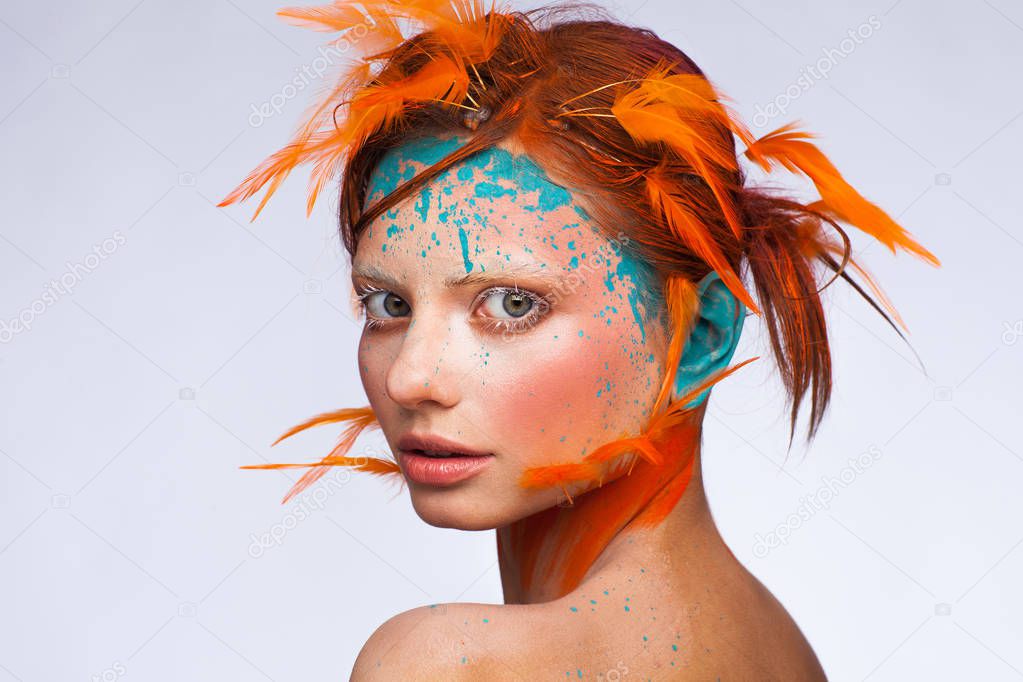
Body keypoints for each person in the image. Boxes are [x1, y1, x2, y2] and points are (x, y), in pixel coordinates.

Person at [219, 2, 939, 678]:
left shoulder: (451, 664)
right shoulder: (771, 646)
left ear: (700, 335)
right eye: (388, 303)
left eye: (511, 303)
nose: (411, 379)